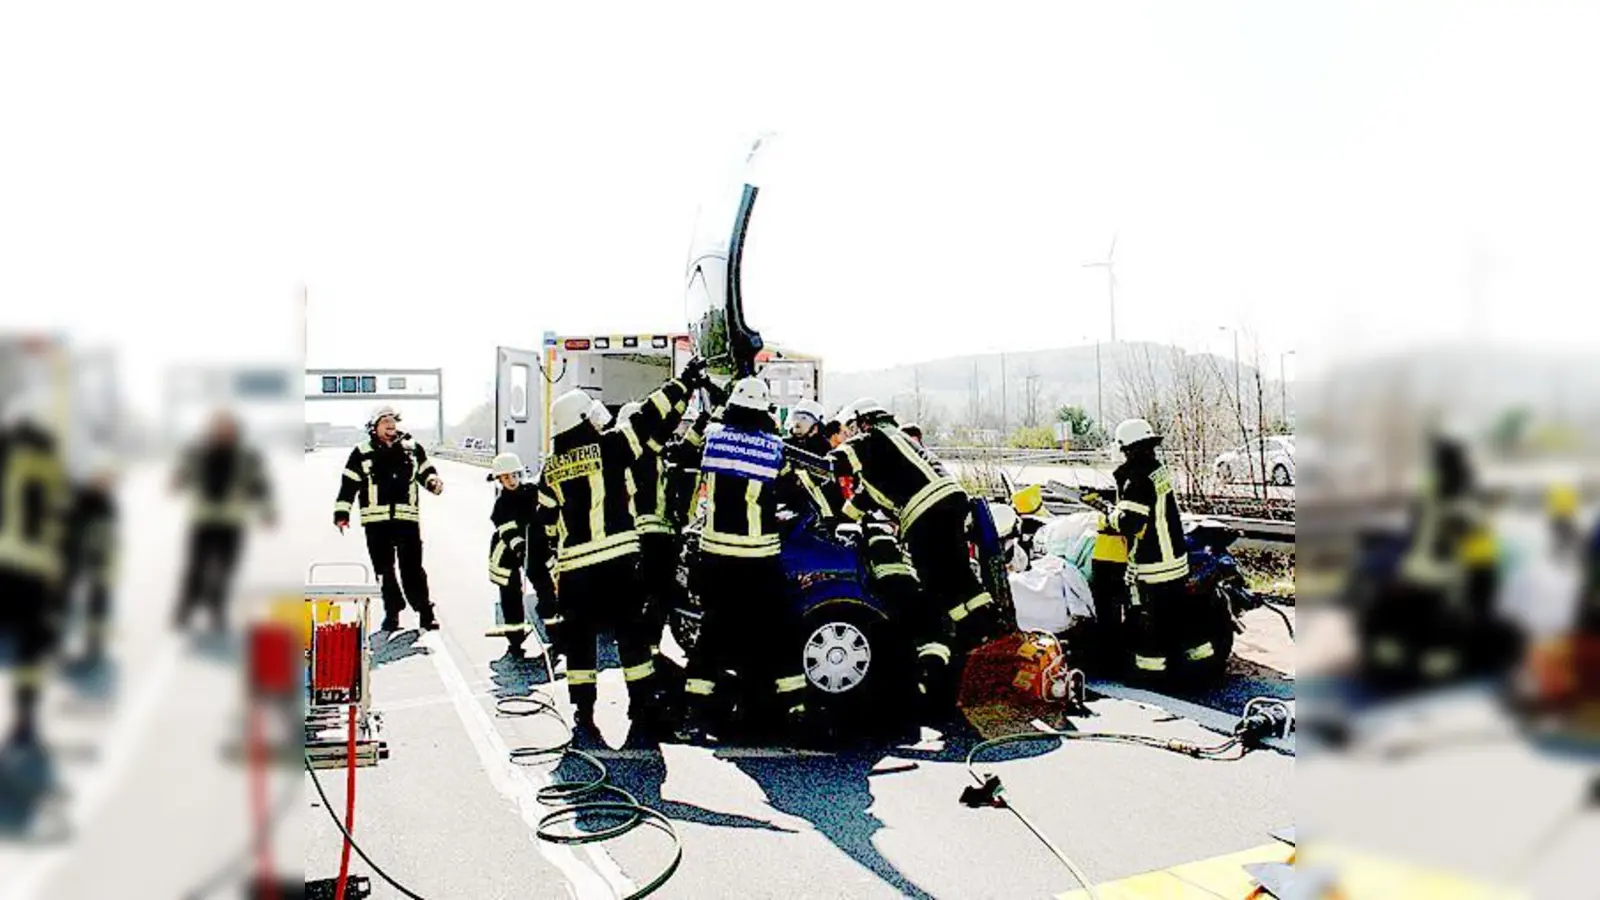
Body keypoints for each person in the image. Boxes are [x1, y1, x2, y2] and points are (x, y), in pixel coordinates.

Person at [530, 361, 704, 743]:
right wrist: (684, 382)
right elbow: (647, 416)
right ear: (580, 420)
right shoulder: (611, 448)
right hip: (618, 565)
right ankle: (642, 710)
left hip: (575, 571)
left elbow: (544, 524)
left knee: (579, 646)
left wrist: (552, 567)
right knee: (633, 639)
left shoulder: (550, 469)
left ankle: (583, 714)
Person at [830, 398, 1003, 706]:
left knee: (935, 586)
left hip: (926, 513)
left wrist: (807, 460)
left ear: (861, 422)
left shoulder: (875, 437)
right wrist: (838, 521)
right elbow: (861, 501)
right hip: (949, 502)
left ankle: (950, 659)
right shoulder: (896, 445)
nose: (848, 435)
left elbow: (840, 460)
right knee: (957, 576)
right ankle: (987, 631)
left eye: (849, 429)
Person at [679, 376, 810, 741]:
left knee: (713, 633)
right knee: (775, 631)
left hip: (716, 555)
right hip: (759, 558)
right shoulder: (774, 448)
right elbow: (788, 492)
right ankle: (794, 708)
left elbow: (684, 455)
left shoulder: (713, 439)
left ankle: (696, 712)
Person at [1104, 418, 1212, 677]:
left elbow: (1131, 523)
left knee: (1151, 622)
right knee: (1181, 616)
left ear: (1126, 447)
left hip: (1153, 563)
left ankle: (1151, 672)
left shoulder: (1137, 478)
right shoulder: (1156, 469)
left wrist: (1109, 515)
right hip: (1174, 557)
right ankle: (1201, 664)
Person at [333, 406, 442, 633]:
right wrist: (342, 514)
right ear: (374, 427)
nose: (391, 425)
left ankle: (425, 612)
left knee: (413, 569)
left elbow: (426, 471)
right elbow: (349, 483)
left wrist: (433, 482)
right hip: (376, 523)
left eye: (393, 421)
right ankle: (392, 612)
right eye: (385, 421)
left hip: (406, 520)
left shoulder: (412, 449)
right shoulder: (361, 452)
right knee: (384, 571)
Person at [0, 389, 68, 750]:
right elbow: (57, 519)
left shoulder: (9, 451)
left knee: (23, 644)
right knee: (29, 646)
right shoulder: (51, 459)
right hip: (34, 566)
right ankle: (25, 718)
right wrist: (56, 565)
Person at [173, 410, 275, 632]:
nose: (223, 432)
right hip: (203, 519)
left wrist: (268, 511)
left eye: (227, 428)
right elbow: (183, 474)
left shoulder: (248, 456)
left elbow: (260, 485)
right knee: (196, 567)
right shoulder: (197, 452)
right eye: (219, 428)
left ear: (235, 431)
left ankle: (215, 609)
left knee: (226, 569)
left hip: (232, 521)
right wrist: (177, 481)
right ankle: (185, 609)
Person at [485, 452, 553, 659]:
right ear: (498, 480)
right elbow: (508, 532)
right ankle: (515, 642)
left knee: (547, 590)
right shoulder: (501, 505)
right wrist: (520, 547)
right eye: (505, 478)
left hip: (535, 550)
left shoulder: (533, 492)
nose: (510, 481)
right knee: (511, 597)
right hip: (506, 556)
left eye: (513, 475)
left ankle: (556, 637)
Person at [61, 454, 118, 668]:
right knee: (65, 601)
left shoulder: (107, 504)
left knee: (97, 602)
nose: (104, 483)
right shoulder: (80, 496)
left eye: (107, 480)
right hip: (75, 555)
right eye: (100, 478)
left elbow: (109, 538)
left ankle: (94, 646)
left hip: (97, 559)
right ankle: (62, 646)